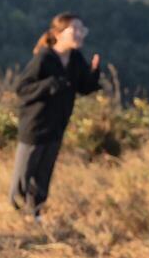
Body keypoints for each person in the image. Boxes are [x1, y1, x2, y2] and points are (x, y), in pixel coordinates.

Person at [10, 12, 103, 223]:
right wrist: (50, 84)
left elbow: (83, 87)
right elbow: (22, 89)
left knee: (44, 172)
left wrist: (94, 74)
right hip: (35, 124)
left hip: (57, 124)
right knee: (25, 170)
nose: (80, 34)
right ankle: (16, 212)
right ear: (58, 33)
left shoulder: (75, 59)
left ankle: (35, 212)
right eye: (75, 30)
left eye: (82, 30)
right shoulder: (44, 58)